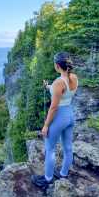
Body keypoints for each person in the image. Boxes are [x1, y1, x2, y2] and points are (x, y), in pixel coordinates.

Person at [31, 52, 78, 189]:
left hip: (59, 118)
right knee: (68, 148)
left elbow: (53, 108)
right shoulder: (74, 78)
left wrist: (46, 125)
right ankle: (63, 173)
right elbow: (63, 91)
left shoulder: (58, 83)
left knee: (50, 149)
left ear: (57, 66)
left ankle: (47, 179)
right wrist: (48, 87)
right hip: (70, 115)